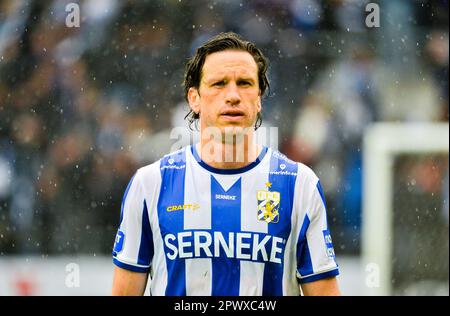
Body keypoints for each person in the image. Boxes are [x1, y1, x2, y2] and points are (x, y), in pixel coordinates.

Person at [111, 32, 340, 296]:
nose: (232, 95)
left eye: (244, 83)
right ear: (193, 98)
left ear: (258, 100)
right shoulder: (150, 183)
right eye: (219, 83)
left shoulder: (299, 184)